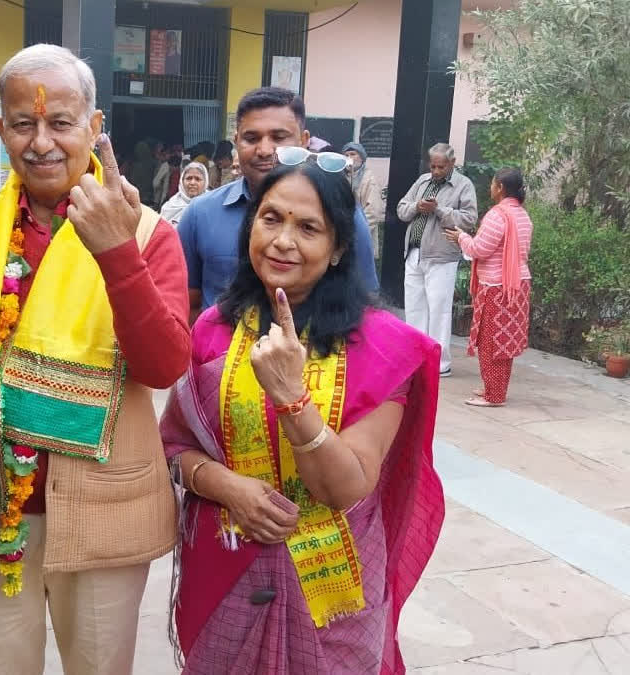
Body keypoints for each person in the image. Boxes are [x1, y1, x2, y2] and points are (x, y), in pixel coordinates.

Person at [0, 44, 190, 674]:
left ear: (94, 127)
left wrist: (117, 252)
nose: (41, 143)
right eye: (23, 124)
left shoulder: (147, 233)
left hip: (101, 513)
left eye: (60, 123)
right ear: (1, 128)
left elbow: (164, 367)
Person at [160, 161, 444, 673]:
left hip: (335, 590)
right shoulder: (212, 331)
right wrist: (228, 487)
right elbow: (176, 448)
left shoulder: (382, 347)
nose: (282, 241)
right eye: (271, 219)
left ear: (337, 249)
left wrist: (293, 397)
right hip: (226, 569)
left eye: (307, 227)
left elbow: (346, 486)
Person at [178, 87, 379, 320]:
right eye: (251, 138)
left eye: (279, 137)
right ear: (236, 142)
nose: (265, 150)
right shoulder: (200, 214)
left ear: (303, 141)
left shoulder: (342, 214)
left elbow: (365, 307)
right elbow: (187, 305)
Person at [444, 167, 532, 407]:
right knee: (504, 342)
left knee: (491, 341)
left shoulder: (497, 215)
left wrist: (461, 237)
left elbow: (479, 250)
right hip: (518, 284)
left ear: (500, 188)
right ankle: (494, 388)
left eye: (493, 184)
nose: (490, 188)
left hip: (497, 287)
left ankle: (494, 395)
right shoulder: (522, 215)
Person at [397, 143, 478, 377]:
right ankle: (415, 357)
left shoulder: (463, 185)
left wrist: (440, 210)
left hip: (442, 257)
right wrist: (417, 206)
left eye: (441, 167)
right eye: (432, 166)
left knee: (439, 310)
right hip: (414, 253)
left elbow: (469, 219)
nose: (435, 171)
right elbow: (402, 209)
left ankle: (440, 363)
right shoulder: (422, 181)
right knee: (414, 308)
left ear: (452, 164)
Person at [342, 141, 385, 255]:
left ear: (361, 158)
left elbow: (373, 212)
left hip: (360, 238)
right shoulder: (341, 177)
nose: (349, 158)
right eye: (346, 155)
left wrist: (355, 232)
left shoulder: (369, 180)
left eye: (353, 154)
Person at [160, 161, 209, 226]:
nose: (192, 183)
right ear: (182, 181)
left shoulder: (211, 205)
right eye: (189, 178)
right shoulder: (170, 206)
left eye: (197, 179)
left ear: (205, 182)